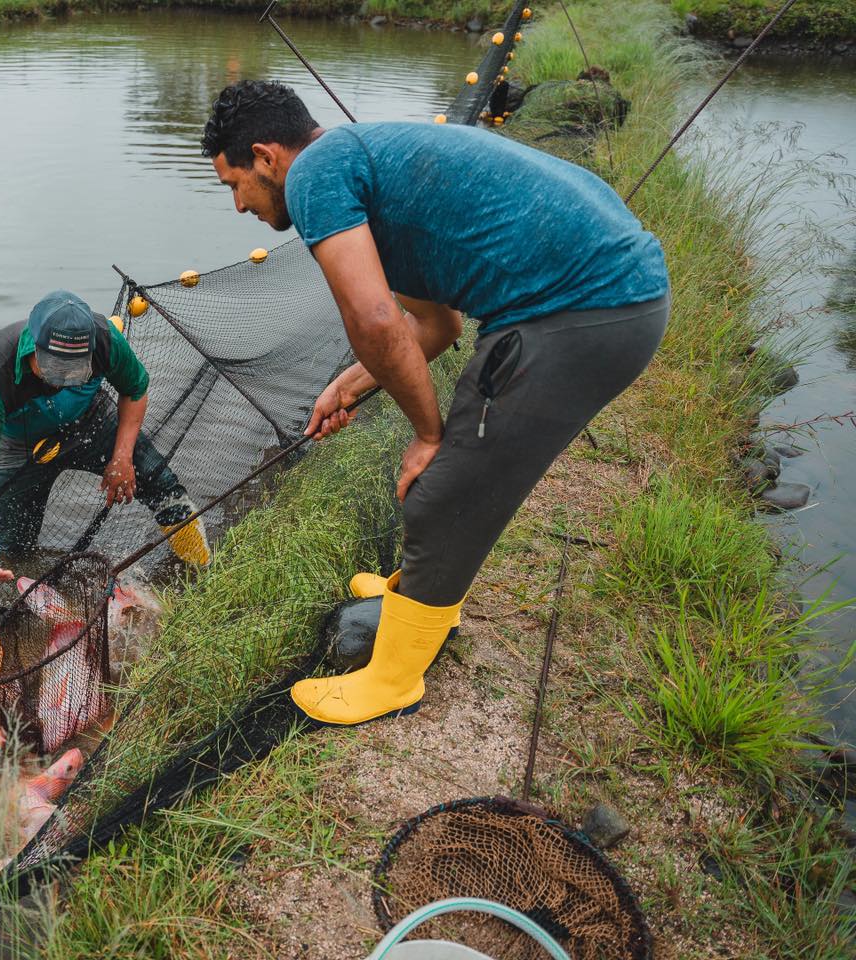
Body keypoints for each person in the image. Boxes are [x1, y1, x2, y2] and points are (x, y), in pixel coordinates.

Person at [201, 80, 670, 725]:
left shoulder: (313, 175)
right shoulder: (358, 163)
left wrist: (428, 433)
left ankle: (393, 679)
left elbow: (372, 319)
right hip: (603, 298)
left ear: (265, 156)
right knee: (453, 476)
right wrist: (350, 384)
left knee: (442, 491)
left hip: (585, 309)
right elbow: (437, 328)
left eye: (233, 185)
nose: (237, 206)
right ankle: (412, 599)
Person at [0, 289, 210, 581]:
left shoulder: (105, 340)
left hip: (91, 420)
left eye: (74, 370)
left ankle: (201, 574)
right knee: (14, 543)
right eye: (54, 368)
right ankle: (23, 599)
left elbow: (134, 390)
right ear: (32, 346)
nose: (62, 380)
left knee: (162, 486)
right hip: (18, 445)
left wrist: (122, 458)